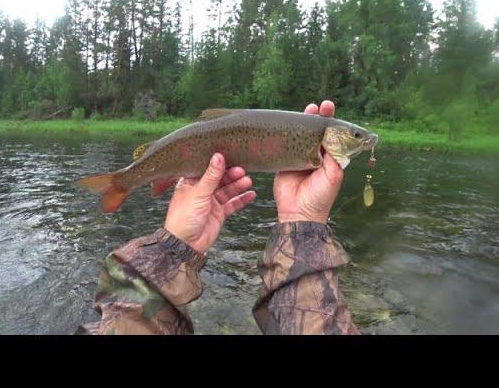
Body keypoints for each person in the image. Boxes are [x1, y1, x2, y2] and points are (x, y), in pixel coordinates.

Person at [76, 100, 359, 335]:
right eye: (356, 136)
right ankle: (121, 182)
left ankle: (123, 183)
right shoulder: (315, 136)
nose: (363, 140)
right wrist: (304, 221)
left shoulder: (314, 140)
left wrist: (172, 243)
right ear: (329, 136)